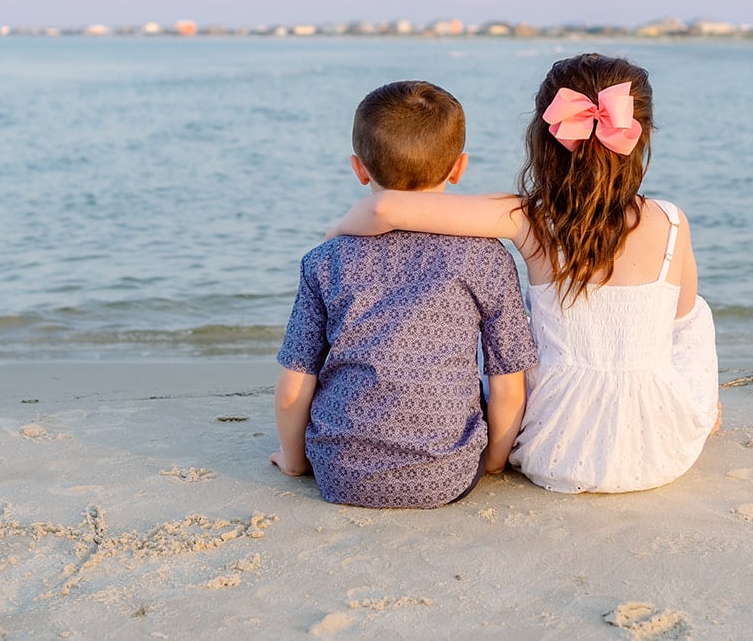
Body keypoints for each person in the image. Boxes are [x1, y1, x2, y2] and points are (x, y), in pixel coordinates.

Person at [328, 54, 719, 494]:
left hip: (556, 444)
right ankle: (702, 409)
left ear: (542, 138)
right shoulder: (671, 222)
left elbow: (383, 207)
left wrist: (334, 238)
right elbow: (681, 326)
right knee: (693, 316)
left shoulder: (527, 218)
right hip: (659, 451)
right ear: (638, 138)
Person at [272, 80, 538, 509]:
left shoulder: (325, 260)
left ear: (359, 169)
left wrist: (293, 462)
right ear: (459, 168)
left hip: (340, 475)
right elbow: (508, 385)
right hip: (446, 475)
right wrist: (490, 464)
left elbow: (291, 389)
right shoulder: (487, 256)